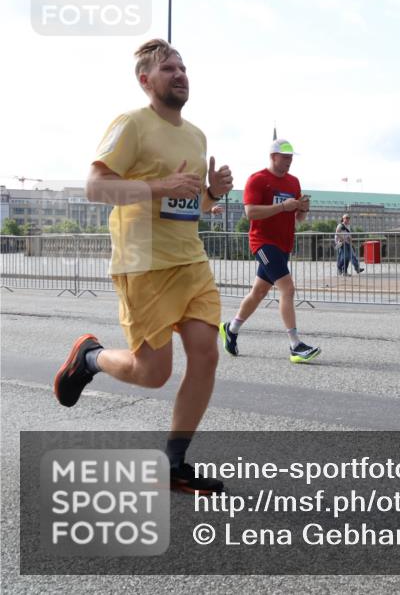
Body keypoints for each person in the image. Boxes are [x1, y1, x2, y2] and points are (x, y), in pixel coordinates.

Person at [53, 39, 233, 494]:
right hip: (143, 262)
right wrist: (159, 185)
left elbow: (189, 204)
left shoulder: (195, 135)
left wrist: (212, 193)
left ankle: (174, 463)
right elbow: (95, 187)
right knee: (153, 374)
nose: (180, 74)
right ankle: (89, 358)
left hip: (190, 260)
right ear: (145, 80)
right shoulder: (131, 124)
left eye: (184, 67)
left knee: (206, 353)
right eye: (169, 68)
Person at [219, 139, 321, 363]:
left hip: (284, 244)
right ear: (273, 157)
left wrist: (303, 209)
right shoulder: (258, 180)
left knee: (259, 292)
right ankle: (295, 345)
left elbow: (299, 219)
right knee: (288, 289)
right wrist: (283, 206)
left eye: (292, 158)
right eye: (285, 157)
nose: (289, 161)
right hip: (263, 242)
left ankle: (231, 328)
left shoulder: (294, 182)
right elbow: (251, 213)